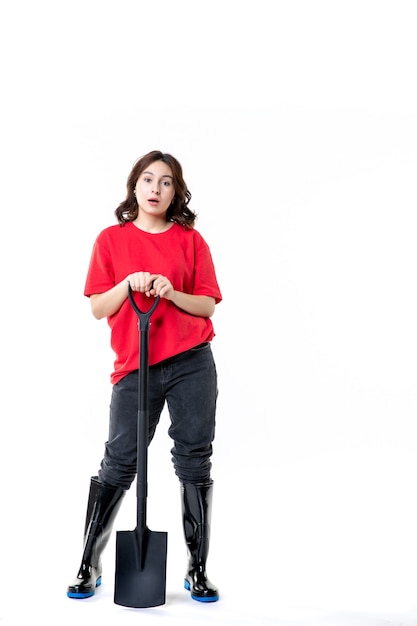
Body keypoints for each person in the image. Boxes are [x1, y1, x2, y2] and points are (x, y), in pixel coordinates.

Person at [67, 150, 222, 603]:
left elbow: (208, 305)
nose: (156, 189)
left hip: (192, 362)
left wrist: (173, 292)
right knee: (119, 460)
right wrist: (126, 283)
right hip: (136, 367)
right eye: (148, 179)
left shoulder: (191, 241)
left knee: (194, 458)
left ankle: (197, 568)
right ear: (134, 186)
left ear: (176, 192)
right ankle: (88, 562)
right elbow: (99, 308)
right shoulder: (110, 241)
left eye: (167, 182)